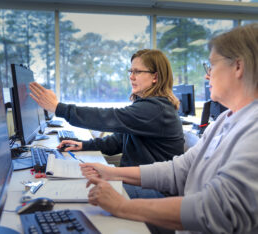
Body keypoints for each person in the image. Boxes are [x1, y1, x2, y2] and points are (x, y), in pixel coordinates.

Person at [80, 23, 258, 233]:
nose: (206, 75)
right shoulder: (224, 121)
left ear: (238, 67)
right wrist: (111, 173)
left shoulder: (253, 131)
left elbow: (216, 211)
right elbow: (177, 171)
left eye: (211, 65)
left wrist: (122, 206)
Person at [30, 49, 184, 198]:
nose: (131, 77)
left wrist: (59, 108)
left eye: (137, 71)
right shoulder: (147, 106)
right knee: (78, 185)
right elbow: (118, 141)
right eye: (130, 71)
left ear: (155, 77)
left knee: (82, 190)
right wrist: (84, 145)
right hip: (138, 182)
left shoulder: (156, 109)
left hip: (155, 191)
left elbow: (107, 117)